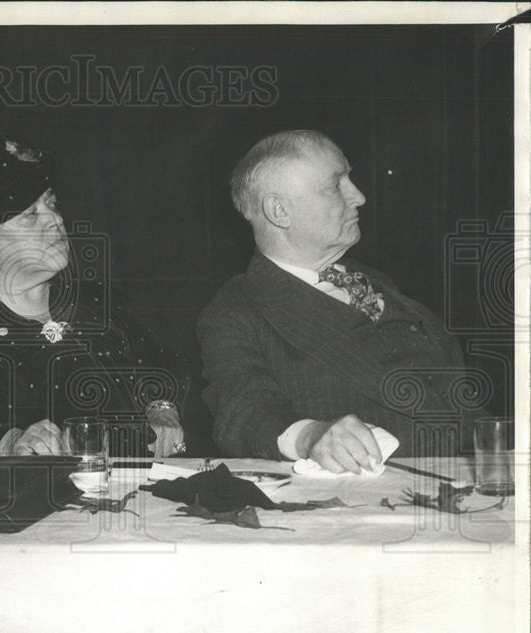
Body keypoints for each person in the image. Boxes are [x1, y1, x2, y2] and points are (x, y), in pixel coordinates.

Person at [0, 130, 192, 457]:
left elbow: (158, 366)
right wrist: (8, 441)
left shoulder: (90, 300)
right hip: (30, 502)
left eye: (51, 204)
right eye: (30, 215)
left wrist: (161, 408)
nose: (55, 220)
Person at [197, 129, 482, 472]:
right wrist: (311, 436)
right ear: (279, 211)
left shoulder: (374, 278)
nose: (359, 196)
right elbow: (243, 410)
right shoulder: (236, 309)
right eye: (336, 185)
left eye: (350, 178)